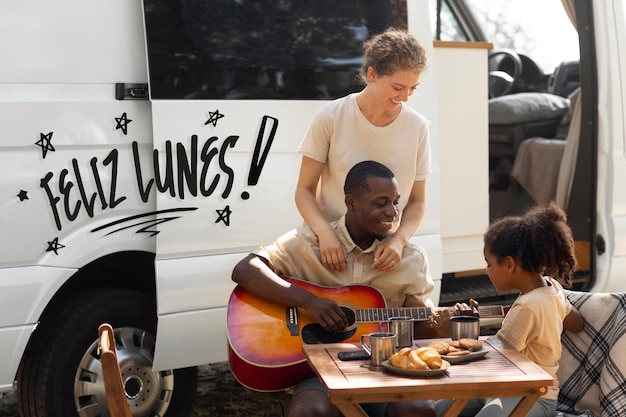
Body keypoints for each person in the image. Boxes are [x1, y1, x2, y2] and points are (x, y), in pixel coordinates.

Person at [232, 160, 436, 417]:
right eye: (380, 203)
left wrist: (443, 324)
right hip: (319, 371)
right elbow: (245, 270)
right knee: (310, 411)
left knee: (417, 409)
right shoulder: (308, 242)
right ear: (351, 203)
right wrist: (308, 302)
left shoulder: (411, 257)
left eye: (396, 202)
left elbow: (418, 323)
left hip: (385, 366)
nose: (393, 212)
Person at [295, 27, 430, 273]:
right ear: (372, 74)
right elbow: (304, 191)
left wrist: (398, 241)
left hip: (381, 253)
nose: (406, 97)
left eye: (413, 88)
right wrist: (325, 235)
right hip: (329, 254)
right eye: (398, 87)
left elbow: (418, 202)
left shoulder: (418, 127)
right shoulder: (331, 117)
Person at [436, 203, 584, 417]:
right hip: (505, 387)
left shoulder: (529, 305)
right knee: (440, 410)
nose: (487, 272)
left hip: (533, 396)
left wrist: (451, 332)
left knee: (440, 409)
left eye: (489, 264)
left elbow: (495, 358)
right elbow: (576, 323)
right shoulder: (552, 288)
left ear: (509, 264)